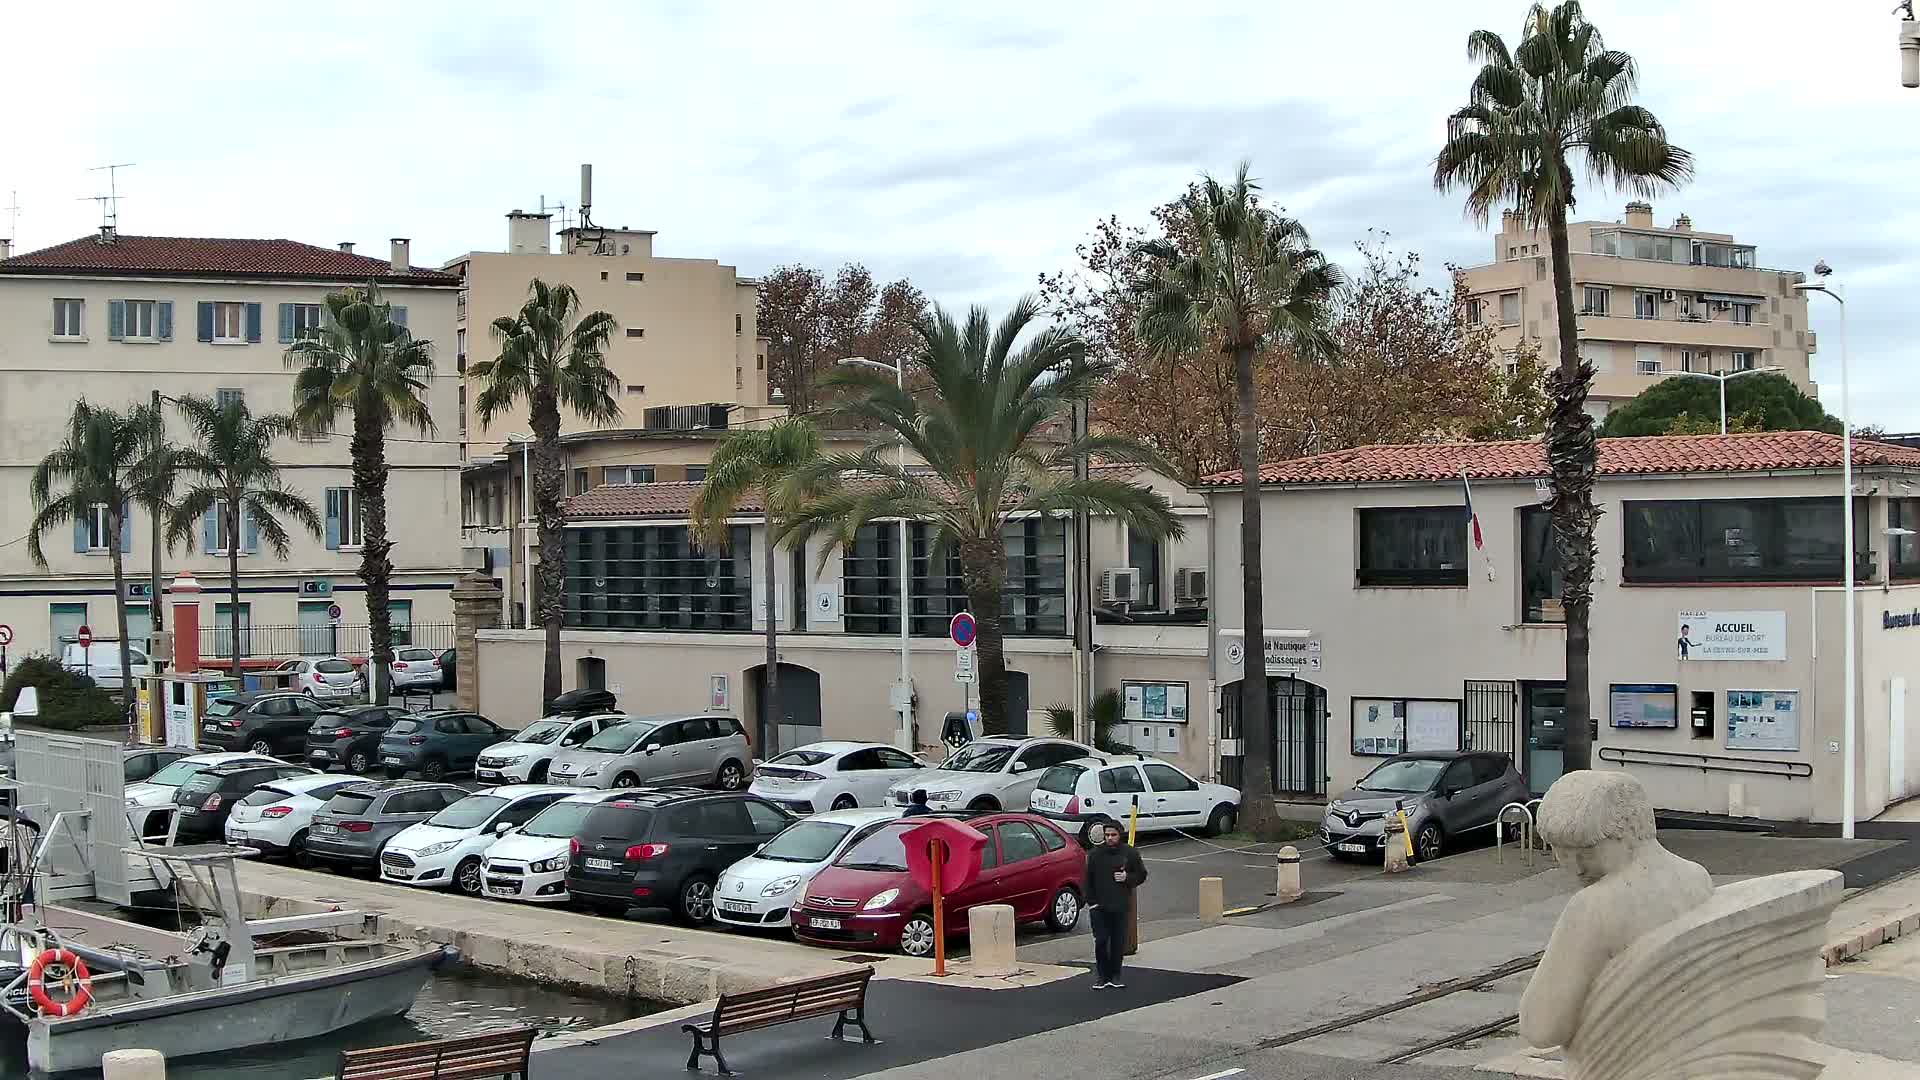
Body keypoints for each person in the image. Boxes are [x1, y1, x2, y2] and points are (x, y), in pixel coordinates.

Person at [1084, 820, 1147, 989]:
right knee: (1101, 941)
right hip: (1099, 907)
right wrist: (1092, 903)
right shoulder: (1095, 855)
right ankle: (1102, 977)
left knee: (1118, 943)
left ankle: (1115, 976)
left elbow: (1141, 874)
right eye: (1107, 835)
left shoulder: (1129, 853)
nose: (1110, 838)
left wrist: (1127, 878)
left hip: (1120, 905)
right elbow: (1088, 880)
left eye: (1113, 835)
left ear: (1120, 835)